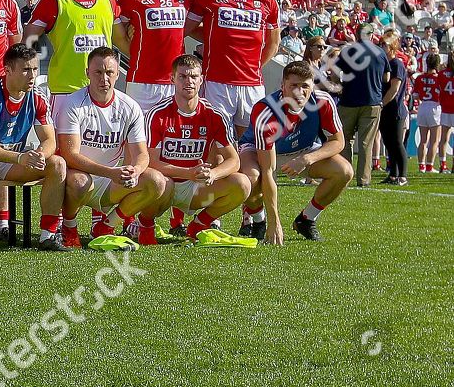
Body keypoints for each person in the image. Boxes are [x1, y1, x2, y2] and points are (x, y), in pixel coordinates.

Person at [55, 47, 166, 249]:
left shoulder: (130, 107)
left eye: (109, 73)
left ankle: (107, 226)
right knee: (80, 181)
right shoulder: (73, 103)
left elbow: (142, 154)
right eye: (98, 72)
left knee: (156, 181)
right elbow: (70, 155)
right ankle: (69, 227)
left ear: (117, 75)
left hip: (111, 182)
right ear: (87, 72)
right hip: (78, 179)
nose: (104, 78)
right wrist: (110, 172)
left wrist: (136, 170)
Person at [239, 60, 352, 244]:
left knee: (344, 171)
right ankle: (258, 220)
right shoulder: (266, 111)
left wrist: (307, 159)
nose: (300, 92)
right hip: (259, 150)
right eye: (294, 86)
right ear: (282, 86)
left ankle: (306, 220)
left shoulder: (323, 100)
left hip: (304, 150)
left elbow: (338, 142)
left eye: (305, 86)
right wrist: (275, 222)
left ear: (312, 85)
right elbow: (268, 170)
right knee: (251, 180)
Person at [185, 0, 282, 147]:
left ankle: (252, 180)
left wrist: (255, 66)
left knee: (251, 144)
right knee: (218, 144)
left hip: (252, 84)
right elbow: (187, 29)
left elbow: (273, 44)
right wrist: (214, 38)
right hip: (216, 82)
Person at [0, 44, 68, 250]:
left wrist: (40, 155)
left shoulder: (38, 96)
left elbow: (50, 139)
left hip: (14, 161)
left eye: (35, 69)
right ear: (7, 70)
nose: (32, 75)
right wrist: (19, 158)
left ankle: (48, 235)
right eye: (25, 69)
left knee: (57, 163)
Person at [143, 55, 250, 242]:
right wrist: (187, 172)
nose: (189, 82)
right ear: (172, 79)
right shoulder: (157, 114)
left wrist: (213, 175)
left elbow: (234, 160)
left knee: (242, 184)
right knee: (154, 180)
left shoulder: (215, 115)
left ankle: (200, 224)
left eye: (193, 77)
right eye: (182, 76)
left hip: (195, 188)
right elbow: (151, 162)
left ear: (201, 79)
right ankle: (145, 224)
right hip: (164, 185)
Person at [24, 0, 117, 112]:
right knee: (64, 140)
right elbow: (28, 42)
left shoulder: (109, 1)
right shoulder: (52, 2)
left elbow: (123, 40)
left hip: (102, 90)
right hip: (65, 91)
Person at [114, 0, 194, 111]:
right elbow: (120, 35)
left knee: (174, 137)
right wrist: (135, 52)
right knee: (138, 137)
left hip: (177, 80)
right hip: (142, 82)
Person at [333, 23, 391, 188]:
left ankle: (344, 176)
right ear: (372, 35)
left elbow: (335, 75)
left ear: (357, 35)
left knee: (344, 141)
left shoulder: (348, 51)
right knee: (366, 143)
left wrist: (342, 86)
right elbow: (386, 78)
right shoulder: (380, 53)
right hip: (372, 102)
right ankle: (364, 180)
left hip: (348, 102)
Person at [378, 29, 409, 185]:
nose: (382, 46)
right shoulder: (385, 64)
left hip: (395, 109)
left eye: (385, 44)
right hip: (386, 110)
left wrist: (381, 103)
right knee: (388, 143)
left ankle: (402, 175)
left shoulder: (396, 64)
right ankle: (393, 174)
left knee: (397, 143)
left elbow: (394, 89)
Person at [412, 54, 443, 174]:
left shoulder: (420, 78)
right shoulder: (438, 77)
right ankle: (430, 166)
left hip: (423, 106)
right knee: (434, 140)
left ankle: (421, 166)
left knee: (423, 140)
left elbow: (415, 95)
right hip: (435, 107)